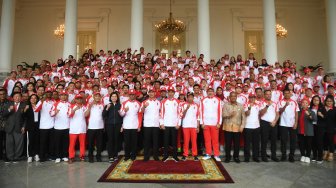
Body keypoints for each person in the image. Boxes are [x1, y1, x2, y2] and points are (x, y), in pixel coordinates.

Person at [200, 86, 222, 162]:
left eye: (211, 91)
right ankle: (208, 154)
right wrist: (201, 123)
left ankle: (216, 154)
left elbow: (220, 112)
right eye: (209, 91)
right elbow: (201, 112)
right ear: (207, 92)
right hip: (206, 123)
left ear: (214, 92)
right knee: (207, 140)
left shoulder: (218, 100)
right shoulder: (203, 100)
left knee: (215, 140)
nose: (210, 92)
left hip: (215, 123)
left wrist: (219, 123)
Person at [223, 91, 246, 163]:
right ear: (229, 97)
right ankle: (228, 157)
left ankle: (236, 157)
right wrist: (229, 115)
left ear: (236, 97)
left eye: (234, 96)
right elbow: (223, 114)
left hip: (237, 127)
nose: (233, 97)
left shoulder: (240, 105)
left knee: (237, 144)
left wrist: (242, 126)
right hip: (228, 127)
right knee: (228, 143)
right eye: (232, 96)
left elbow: (244, 117)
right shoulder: (226, 105)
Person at [119, 89, 142, 161]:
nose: (132, 96)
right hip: (126, 125)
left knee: (134, 142)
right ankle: (127, 155)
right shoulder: (124, 103)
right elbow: (121, 114)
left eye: (133, 94)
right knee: (127, 142)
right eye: (131, 94)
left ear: (135, 95)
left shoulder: (138, 103)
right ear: (129, 95)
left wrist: (139, 125)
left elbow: (140, 115)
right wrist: (124, 111)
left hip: (135, 125)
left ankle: (133, 155)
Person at [3, 92, 26, 163]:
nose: (17, 98)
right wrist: (9, 110)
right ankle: (10, 157)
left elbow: (26, 118)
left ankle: (16, 157)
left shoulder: (24, 105)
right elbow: (4, 114)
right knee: (9, 143)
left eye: (19, 96)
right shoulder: (8, 104)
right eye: (15, 96)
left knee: (19, 143)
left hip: (19, 127)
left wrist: (24, 126)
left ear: (21, 98)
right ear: (13, 98)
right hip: (9, 127)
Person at [278, 89, 299, 162]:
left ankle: (291, 156)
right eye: (285, 93)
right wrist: (285, 106)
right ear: (283, 94)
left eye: (288, 93)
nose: (287, 94)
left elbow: (296, 113)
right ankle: (284, 155)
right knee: (283, 140)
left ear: (290, 94)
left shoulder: (294, 102)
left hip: (292, 124)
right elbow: (280, 111)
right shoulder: (280, 102)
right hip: (283, 123)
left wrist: (296, 123)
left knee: (293, 140)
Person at [34, 87, 55, 162]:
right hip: (43, 126)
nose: (49, 93)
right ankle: (42, 157)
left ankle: (50, 156)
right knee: (43, 143)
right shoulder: (41, 101)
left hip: (52, 125)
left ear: (52, 94)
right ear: (45, 93)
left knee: (51, 142)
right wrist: (42, 101)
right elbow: (36, 110)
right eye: (47, 92)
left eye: (50, 92)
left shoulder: (54, 102)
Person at [160, 86, 180, 162]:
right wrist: (161, 123)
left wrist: (178, 123)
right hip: (166, 124)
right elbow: (161, 113)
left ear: (174, 93)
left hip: (174, 124)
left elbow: (179, 114)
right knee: (166, 141)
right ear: (168, 93)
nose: (171, 93)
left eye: (172, 92)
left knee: (174, 141)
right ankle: (165, 156)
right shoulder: (164, 101)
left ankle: (175, 156)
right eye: (169, 92)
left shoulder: (177, 101)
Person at [50, 90, 70, 163]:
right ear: (59, 96)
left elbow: (70, 114)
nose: (63, 96)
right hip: (58, 127)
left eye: (65, 95)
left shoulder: (69, 104)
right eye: (62, 95)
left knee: (65, 142)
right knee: (58, 142)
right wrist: (55, 112)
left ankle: (64, 156)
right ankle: (58, 156)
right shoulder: (56, 104)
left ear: (67, 96)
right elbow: (51, 114)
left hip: (67, 126)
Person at [140, 88, 161, 161]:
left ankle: (156, 156)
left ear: (155, 93)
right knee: (147, 141)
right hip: (147, 124)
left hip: (155, 124)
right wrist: (144, 106)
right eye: (150, 92)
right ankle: (146, 156)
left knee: (156, 141)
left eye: (153, 92)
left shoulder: (159, 102)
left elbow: (161, 113)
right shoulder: (144, 102)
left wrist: (160, 123)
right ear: (148, 93)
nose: (151, 93)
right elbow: (141, 112)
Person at [259, 90, 280, 162]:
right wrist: (267, 106)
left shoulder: (275, 103)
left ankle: (273, 155)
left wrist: (275, 121)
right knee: (264, 140)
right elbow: (261, 113)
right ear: (264, 95)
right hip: (264, 123)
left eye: (269, 94)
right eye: (267, 94)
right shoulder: (261, 103)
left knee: (274, 140)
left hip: (273, 123)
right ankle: (263, 156)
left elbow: (277, 114)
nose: (268, 95)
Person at [103, 92, 123, 163]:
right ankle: (110, 156)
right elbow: (103, 115)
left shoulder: (120, 105)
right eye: (112, 96)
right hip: (109, 125)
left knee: (116, 140)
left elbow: (122, 117)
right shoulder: (108, 105)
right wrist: (107, 109)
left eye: (115, 96)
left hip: (118, 125)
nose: (114, 98)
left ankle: (115, 155)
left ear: (117, 98)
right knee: (110, 140)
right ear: (110, 98)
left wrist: (122, 126)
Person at [180, 92, 200, 161]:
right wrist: (186, 109)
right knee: (186, 140)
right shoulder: (183, 105)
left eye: (191, 97)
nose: (190, 98)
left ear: (193, 98)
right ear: (187, 97)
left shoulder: (196, 105)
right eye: (189, 97)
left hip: (194, 126)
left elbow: (198, 117)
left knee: (194, 141)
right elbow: (182, 115)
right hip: (186, 125)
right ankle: (185, 154)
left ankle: (195, 154)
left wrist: (198, 126)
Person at [85, 92, 104, 163]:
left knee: (99, 143)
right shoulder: (89, 105)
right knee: (91, 143)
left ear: (100, 97)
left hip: (100, 127)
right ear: (93, 97)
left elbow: (104, 115)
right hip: (91, 127)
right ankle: (90, 156)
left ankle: (98, 156)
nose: (97, 97)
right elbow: (85, 115)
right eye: (96, 96)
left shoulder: (102, 105)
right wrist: (90, 107)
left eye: (99, 96)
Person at [68, 94, 87, 163]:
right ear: (75, 100)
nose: (79, 100)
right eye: (77, 99)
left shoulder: (84, 107)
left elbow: (86, 115)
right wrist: (75, 109)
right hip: (73, 129)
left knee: (82, 143)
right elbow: (69, 115)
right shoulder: (71, 106)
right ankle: (71, 157)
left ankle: (82, 156)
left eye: (80, 99)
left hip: (82, 128)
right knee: (72, 144)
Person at [297, 99, 316, 163]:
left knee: (308, 144)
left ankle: (308, 156)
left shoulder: (311, 111)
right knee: (301, 144)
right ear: (301, 104)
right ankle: (303, 155)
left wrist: (309, 115)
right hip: (300, 130)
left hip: (308, 131)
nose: (304, 104)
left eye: (306, 103)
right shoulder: (299, 112)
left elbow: (314, 119)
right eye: (303, 103)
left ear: (308, 104)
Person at [244, 94, 261, 162]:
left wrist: (258, 123)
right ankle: (247, 157)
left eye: (254, 97)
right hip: (248, 126)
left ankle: (255, 157)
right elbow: (246, 114)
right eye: (251, 98)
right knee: (247, 143)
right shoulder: (245, 104)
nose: (252, 99)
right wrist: (249, 108)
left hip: (256, 126)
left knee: (256, 143)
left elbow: (259, 114)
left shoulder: (258, 105)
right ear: (249, 98)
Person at [24, 94, 40, 162]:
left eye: (35, 98)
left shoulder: (39, 106)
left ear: (37, 99)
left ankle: (36, 154)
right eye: (32, 98)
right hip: (30, 126)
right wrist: (25, 109)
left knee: (37, 141)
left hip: (38, 125)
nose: (33, 99)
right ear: (29, 99)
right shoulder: (27, 106)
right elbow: (23, 116)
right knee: (30, 141)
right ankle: (30, 155)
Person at [310, 95, 326, 163]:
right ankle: (314, 156)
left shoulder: (322, 108)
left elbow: (326, 118)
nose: (315, 101)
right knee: (313, 142)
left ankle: (320, 157)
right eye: (314, 100)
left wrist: (321, 115)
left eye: (317, 100)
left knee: (319, 142)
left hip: (320, 127)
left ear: (319, 101)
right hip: (312, 126)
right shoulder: (310, 108)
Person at [322, 95, 336, 162]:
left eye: (330, 101)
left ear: (333, 102)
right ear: (325, 101)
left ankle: (331, 154)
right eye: (327, 101)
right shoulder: (322, 108)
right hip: (323, 128)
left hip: (331, 128)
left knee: (331, 142)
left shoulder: (335, 109)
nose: (329, 102)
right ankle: (325, 152)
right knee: (325, 141)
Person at [0, 88, 10, 161]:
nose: (2, 95)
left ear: (6, 94)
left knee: (6, 142)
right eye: (0, 94)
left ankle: (5, 155)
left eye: (3, 94)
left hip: (6, 125)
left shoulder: (9, 103)